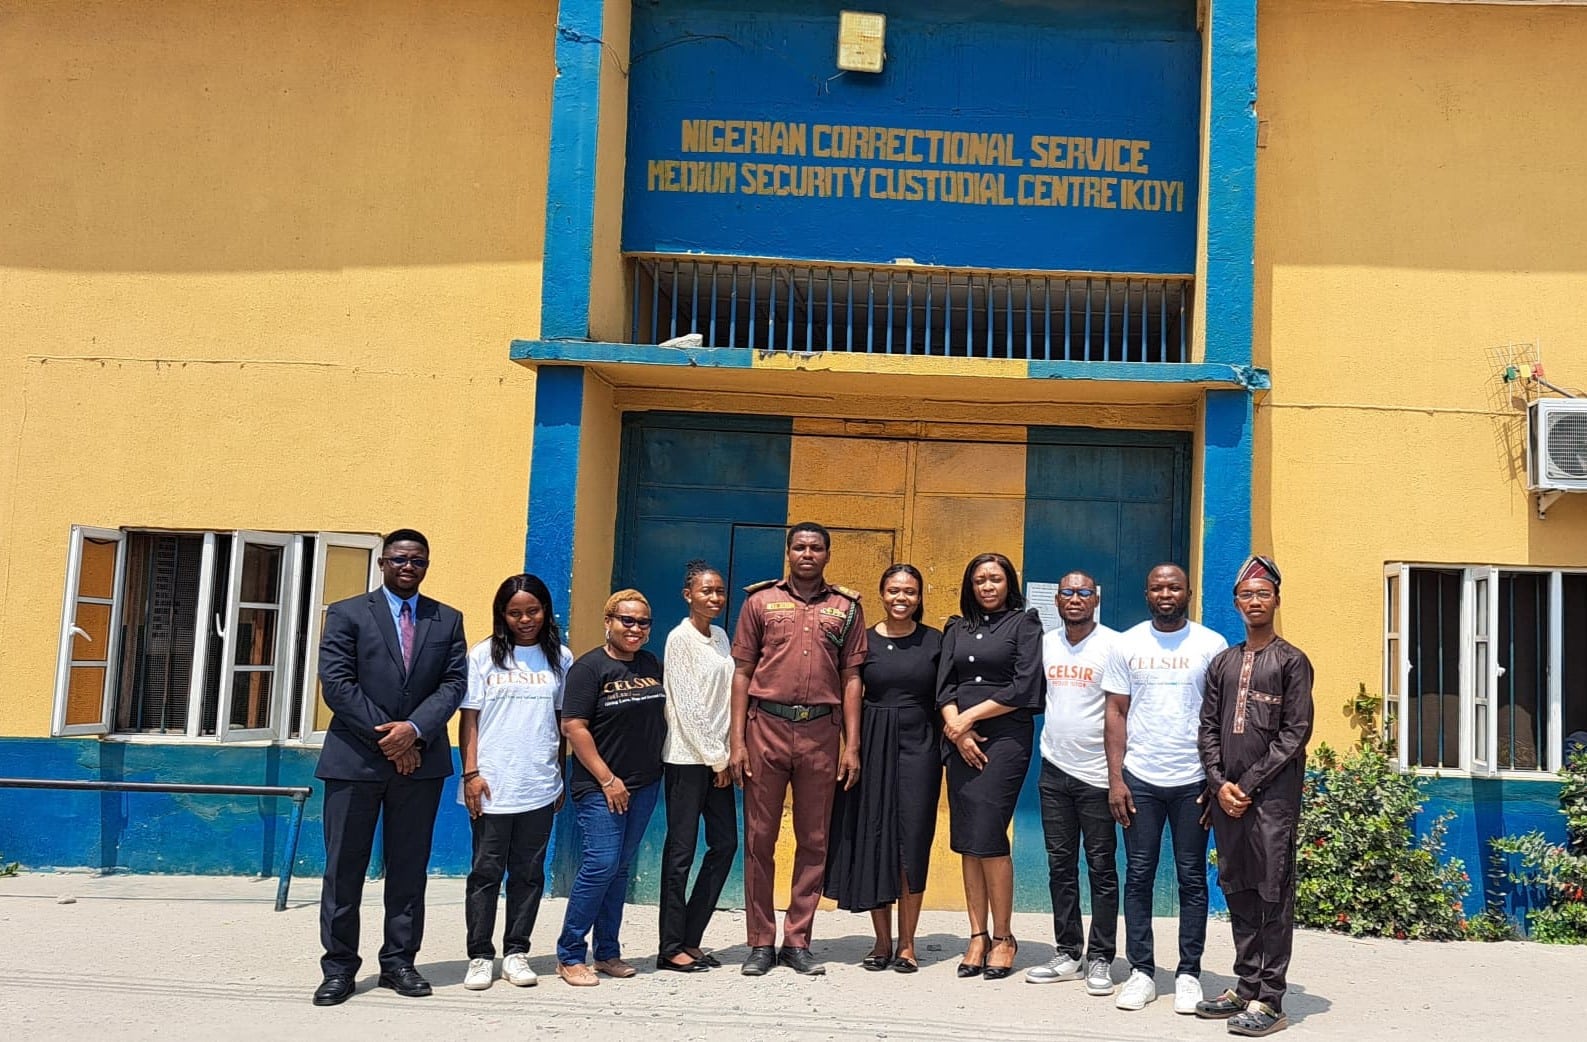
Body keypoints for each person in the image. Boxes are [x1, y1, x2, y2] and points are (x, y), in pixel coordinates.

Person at [312, 529, 467, 1007]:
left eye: (418, 560)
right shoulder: (347, 613)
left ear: (426, 564)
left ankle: (399, 962)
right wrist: (393, 738)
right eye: (400, 558)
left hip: (419, 765)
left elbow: (453, 684)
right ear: (382, 562)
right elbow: (336, 685)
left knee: (408, 868)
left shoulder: (447, 618)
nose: (408, 567)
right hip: (354, 761)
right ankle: (339, 967)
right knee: (344, 869)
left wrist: (414, 731)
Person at [730, 522, 866, 977]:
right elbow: (743, 673)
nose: (808, 553)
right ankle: (760, 942)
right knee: (759, 839)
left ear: (828, 554)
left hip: (821, 736)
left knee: (814, 839)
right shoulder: (760, 602)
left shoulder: (845, 608)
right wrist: (736, 743)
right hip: (764, 728)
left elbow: (852, 679)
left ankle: (798, 940)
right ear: (788, 552)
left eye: (817, 547)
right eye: (800, 546)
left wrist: (853, 745)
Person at [1195, 556, 1314, 1037]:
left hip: (1271, 802)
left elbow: (1295, 733)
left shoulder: (1291, 661)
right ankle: (1244, 986)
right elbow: (1206, 727)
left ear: (1277, 601)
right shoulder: (1223, 662)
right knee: (1238, 887)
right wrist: (1218, 781)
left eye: (1263, 594)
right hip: (1227, 799)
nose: (1255, 602)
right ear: (1236, 603)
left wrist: (1245, 785)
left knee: (1271, 892)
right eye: (1246, 595)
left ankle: (1271, 998)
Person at [1103, 563, 1229, 1014]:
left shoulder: (1211, 645)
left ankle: (1189, 973)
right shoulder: (1127, 643)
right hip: (1141, 778)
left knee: (1192, 877)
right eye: (1157, 587)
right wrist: (1116, 778)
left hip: (1193, 780)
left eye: (1174, 586)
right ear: (1146, 593)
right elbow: (1116, 712)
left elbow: (1220, 718)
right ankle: (1141, 971)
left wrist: (1216, 780)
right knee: (1138, 875)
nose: (1165, 593)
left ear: (1189, 592)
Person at [825, 563, 943, 974]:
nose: (901, 598)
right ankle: (881, 941)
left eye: (909, 591)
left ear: (919, 596)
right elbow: (849, 690)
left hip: (920, 745)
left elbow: (947, 696)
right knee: (873, 837)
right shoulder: (863, 640)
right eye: (894, 590)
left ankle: (908, 943)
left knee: (912, 841)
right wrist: (850, 747)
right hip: (872, 742)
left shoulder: (935, 642)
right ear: (881, 593)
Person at [458, 574, 572, 991]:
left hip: (538, 785)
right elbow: (468, 718)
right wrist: (471, 774)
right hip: (491, 783)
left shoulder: (561, 658)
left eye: (533, 611)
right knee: (485, 872)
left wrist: (559, 774)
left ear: (545, 612)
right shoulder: (483, 656)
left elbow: (562, 724)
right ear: (502, 615)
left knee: (528, 872)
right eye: (515, 613)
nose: (525, 620)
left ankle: (516, 951)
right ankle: (480, 955)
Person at [938, 552, 1044, 982]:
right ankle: (977, 935)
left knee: (989, 832)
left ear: (1009, 584)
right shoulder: (955, 628)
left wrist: (971, 717)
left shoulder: (1024, 623)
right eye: (980, 580)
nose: (987, 587)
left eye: (995, 580)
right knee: (967, 838)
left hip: (1004, 740)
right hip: (958, 739)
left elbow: (1025, 684)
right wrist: (957, 729)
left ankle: (1004, 937)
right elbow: (943, 685)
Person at [555, 590, 668, 987]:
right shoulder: (589, 668)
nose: (636, 629)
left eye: (643, 622)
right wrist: (607, 779)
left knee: (619, 868)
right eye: (627, 620)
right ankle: (570, 954)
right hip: (601, 786)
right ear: (609, 621)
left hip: (644, 784)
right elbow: (574, 727)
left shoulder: (651, 663)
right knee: (600, 863)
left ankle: (607, 952)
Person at [1025, 572, 1121, 996]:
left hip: (1098, 775)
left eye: (1084, 592)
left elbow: (1125, 710)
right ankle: (1068, 951)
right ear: (1057, 599)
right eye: (1068, 592)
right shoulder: (1045, 644)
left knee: (1101, 868)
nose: (1076, 599)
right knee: (1060, 866)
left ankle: (1101, 957)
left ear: (1096, 599)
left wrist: (1119, 774)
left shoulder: (1114, 645)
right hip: (1054, 771)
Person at [657, 560, 737, 973]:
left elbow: (725, 701)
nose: (715, 598)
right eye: (706, 591)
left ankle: (691, 937)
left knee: (725, 845)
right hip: (688, 759)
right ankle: (670, 947)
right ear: (688, 595)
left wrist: (725, 754)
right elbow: (686, 706)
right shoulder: (679, 639)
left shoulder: (721, 636)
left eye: (720, 591)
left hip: (718, 759)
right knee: (681, 853)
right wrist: (716, 757)